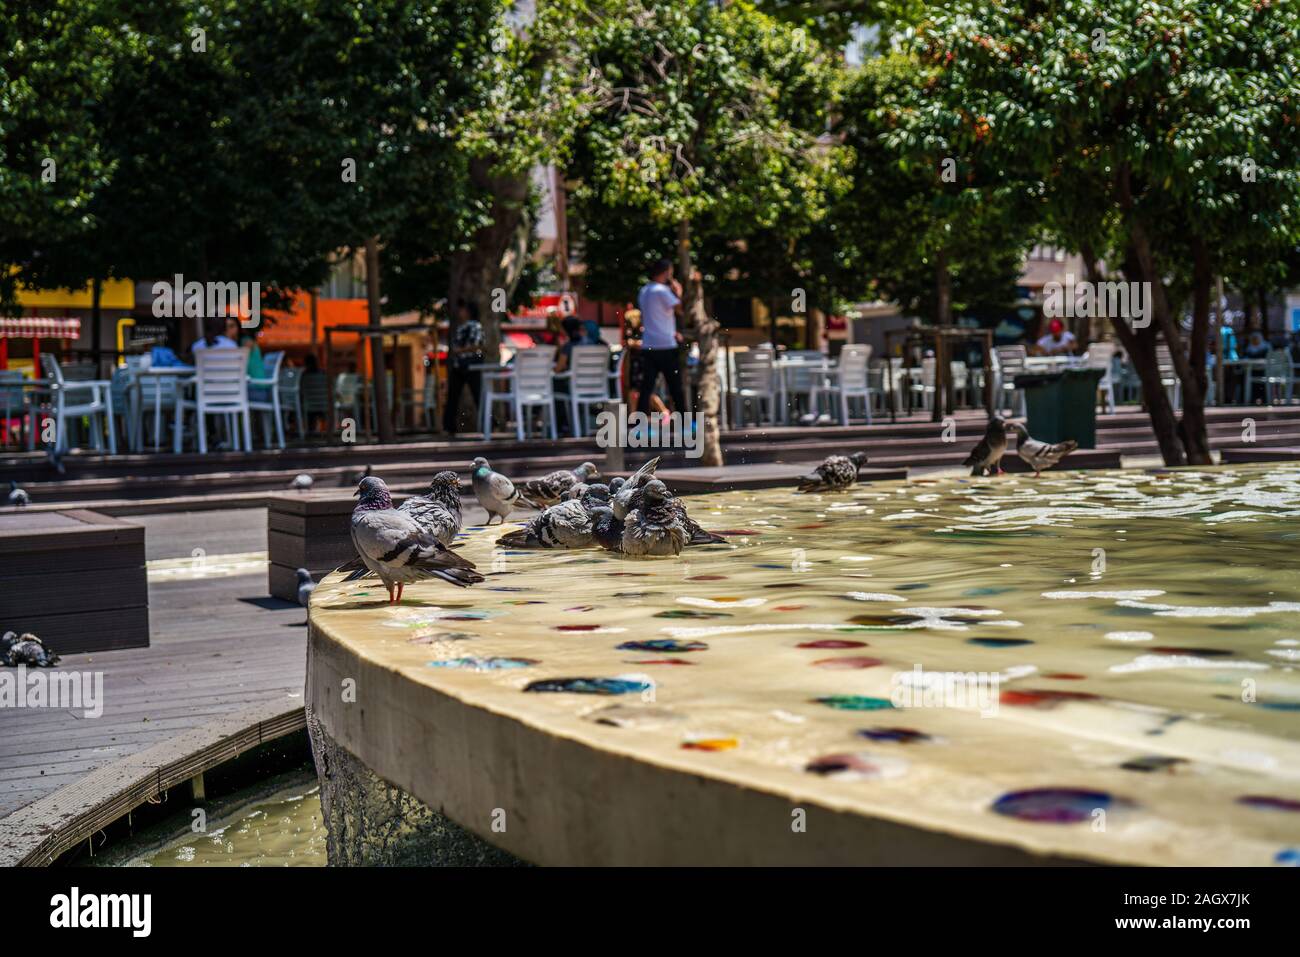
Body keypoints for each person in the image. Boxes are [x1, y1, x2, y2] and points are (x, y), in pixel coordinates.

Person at [635, 258, 686, 417]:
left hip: (649, 344)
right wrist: (678, 293)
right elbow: (680, 310)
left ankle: (639, 422)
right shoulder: (663, 291)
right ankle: (684, 420)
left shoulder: (644, 291)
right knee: (675, 386)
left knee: (646, 387)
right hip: (666, 344)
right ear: (666, 272)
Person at [443, 300, 484, 434]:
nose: (460, 312)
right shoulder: (462, 326)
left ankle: (487, 422)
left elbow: (477, 345)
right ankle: (449, 425)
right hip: (460, 365)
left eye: (463, 310)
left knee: (475, 394)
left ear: (468, 312)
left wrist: (459, 351)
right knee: (455, 396)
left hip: (469, 365)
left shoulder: (474, 326)